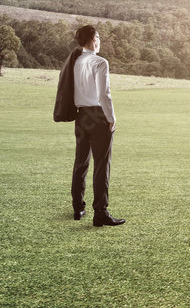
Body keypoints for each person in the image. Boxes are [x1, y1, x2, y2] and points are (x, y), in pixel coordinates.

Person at [70, 25, 125, 227]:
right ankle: (100, 212)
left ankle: (78, 208)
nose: (99, 40)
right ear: (94, 39)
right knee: (101, 165)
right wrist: (111, 117)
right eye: (99, 37)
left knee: (81, 163)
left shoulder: (75, 61)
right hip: (98, 115)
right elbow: (104, 94)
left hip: (81, 116)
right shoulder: (100, 62)